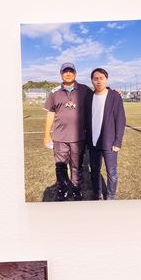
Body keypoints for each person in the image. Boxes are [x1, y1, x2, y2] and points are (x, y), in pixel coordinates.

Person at [43, 62, 91, 201]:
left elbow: (99, 96)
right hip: (60, 138)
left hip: (78, 137)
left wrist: (112, 92)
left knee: (76, 166)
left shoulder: (85, 90)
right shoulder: (54, 92)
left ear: (75, 73)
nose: (68, 73)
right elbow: (50, 114)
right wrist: (46, 134)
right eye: (65, 71)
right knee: (61, 167)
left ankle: (76, 190)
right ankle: (62, 190)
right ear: (61, 74)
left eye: (71, 71)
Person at [85, 67, 127, 200]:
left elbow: (120, 119)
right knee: (94, 171)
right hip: (93, 142)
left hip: (109, 142)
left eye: (101, 78)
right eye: (95, 79)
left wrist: (118, 141)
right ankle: (97, 194)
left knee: (111, 172)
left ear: (106, 80)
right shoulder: (89, 97)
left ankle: (110, 196)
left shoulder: (114, 96)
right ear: (92, 81)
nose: (98, 81)